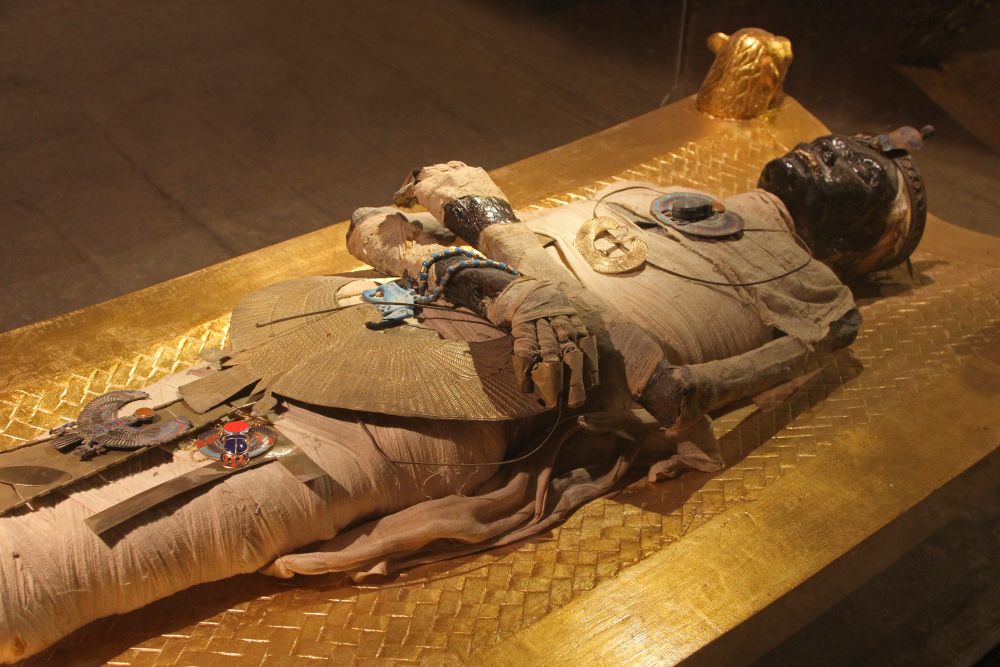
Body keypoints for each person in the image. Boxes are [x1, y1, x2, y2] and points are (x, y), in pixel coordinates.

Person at [0, 128, 927, 663]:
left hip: (474, 398)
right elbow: (384, 227)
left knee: (185, 503)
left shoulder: (819, 298)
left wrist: (510, 263)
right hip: (373, 313)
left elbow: (674, 394)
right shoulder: (659, 190)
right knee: (128, 423)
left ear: (869, 239)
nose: (835, 147)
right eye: (841, 141)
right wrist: (474, 269)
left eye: (864, 167)